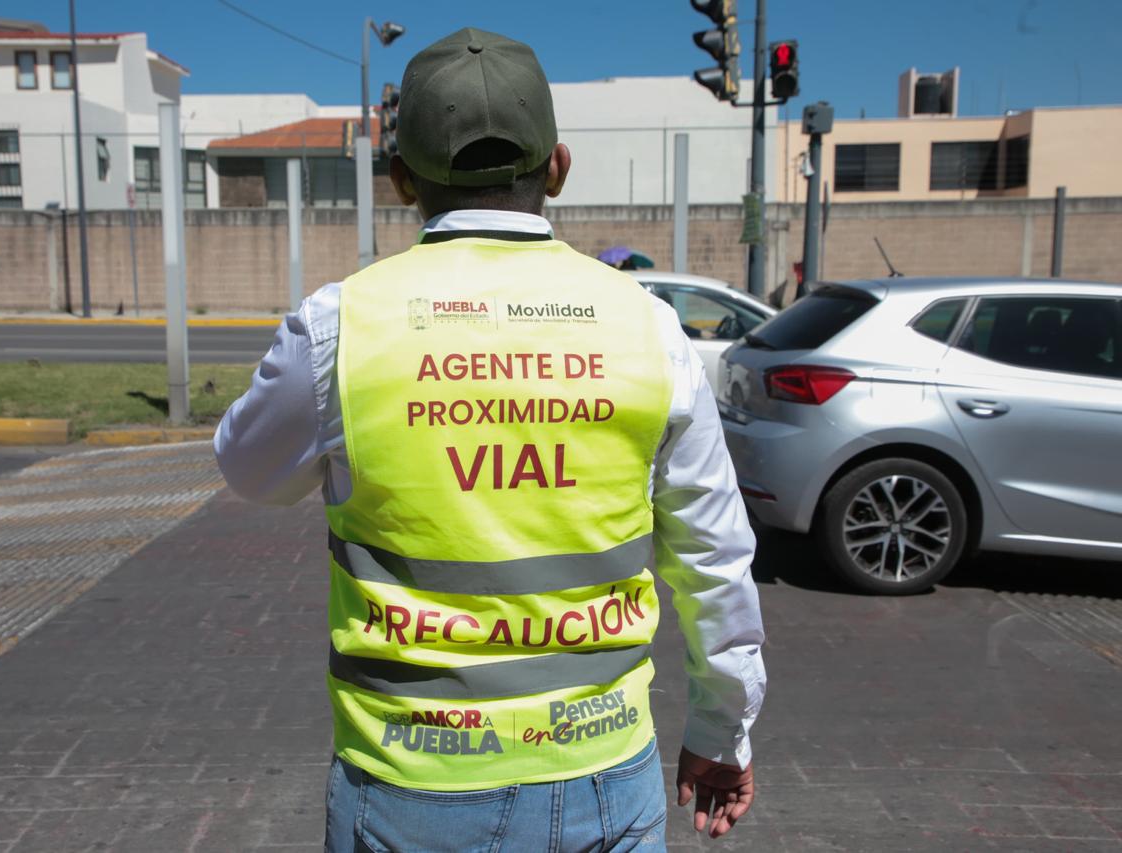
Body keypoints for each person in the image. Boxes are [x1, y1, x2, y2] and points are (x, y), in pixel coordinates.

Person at [214, 27, 765, 851]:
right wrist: (723, 732)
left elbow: (248, 467)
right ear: (557, 166)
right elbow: (714, 556)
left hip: (412, 781)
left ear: (401, 179)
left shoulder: (343, 326)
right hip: (605, 773)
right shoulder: (646, 327)